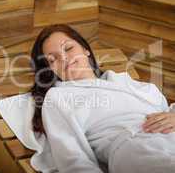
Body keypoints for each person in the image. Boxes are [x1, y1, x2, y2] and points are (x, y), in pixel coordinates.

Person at [30, 24, 175, 173]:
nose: (64, 58)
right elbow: (72, 158)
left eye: (68, 49)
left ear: (85, 50)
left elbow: (166, 107)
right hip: (134, 149)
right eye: (53, 59)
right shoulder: (58, 97)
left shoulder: (123, 81)